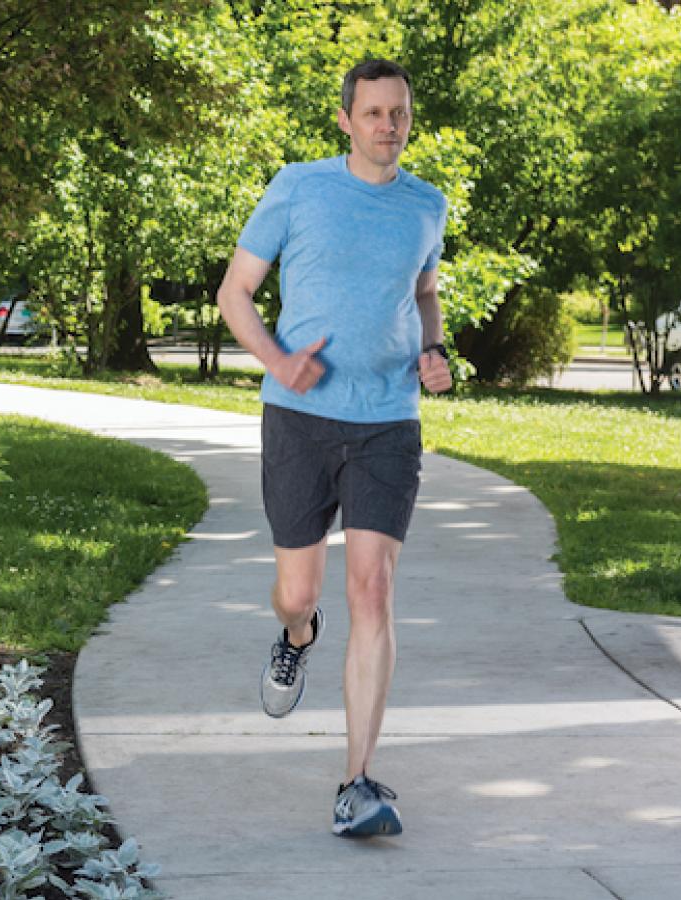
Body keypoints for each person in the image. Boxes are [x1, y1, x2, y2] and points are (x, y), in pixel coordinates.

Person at [215, 58, 453, 838]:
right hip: (300, 417)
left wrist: (435, 348)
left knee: (374, 590)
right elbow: (234, 293)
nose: (389, 125)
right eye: (375, 112)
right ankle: (295, 638)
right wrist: (278, 361)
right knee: (299, 593)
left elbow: (423, 291)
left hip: (389, 418)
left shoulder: (427, 204)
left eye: (400, 113)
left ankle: (357, 781)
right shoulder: (299, 187)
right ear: (346, 120)